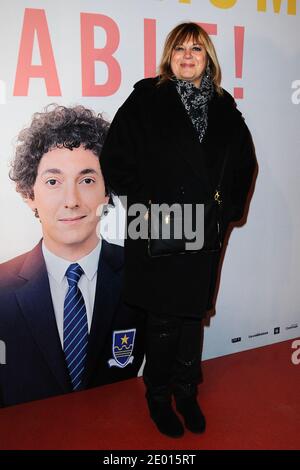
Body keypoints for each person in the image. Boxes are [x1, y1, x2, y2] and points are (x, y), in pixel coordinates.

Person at [100, 22, 256, 438]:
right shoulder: (146, 99)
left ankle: (187, 392)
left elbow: (244, 164)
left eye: (197, 49)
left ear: (209, 58)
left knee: (191, 315)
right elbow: (115, 156)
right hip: (160, 222)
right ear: (169, 56)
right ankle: (159, 397)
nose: (188, 56)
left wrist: (227, 211)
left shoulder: (224, 108)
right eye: (180, 49)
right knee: (165, 315)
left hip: (204, 225)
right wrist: (145, 204)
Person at [0, 105, 145, 408]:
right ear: (29, 195)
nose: (71, 201)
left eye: (87, 180)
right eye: (53, 182)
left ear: (107, 192)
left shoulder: (143, 275)